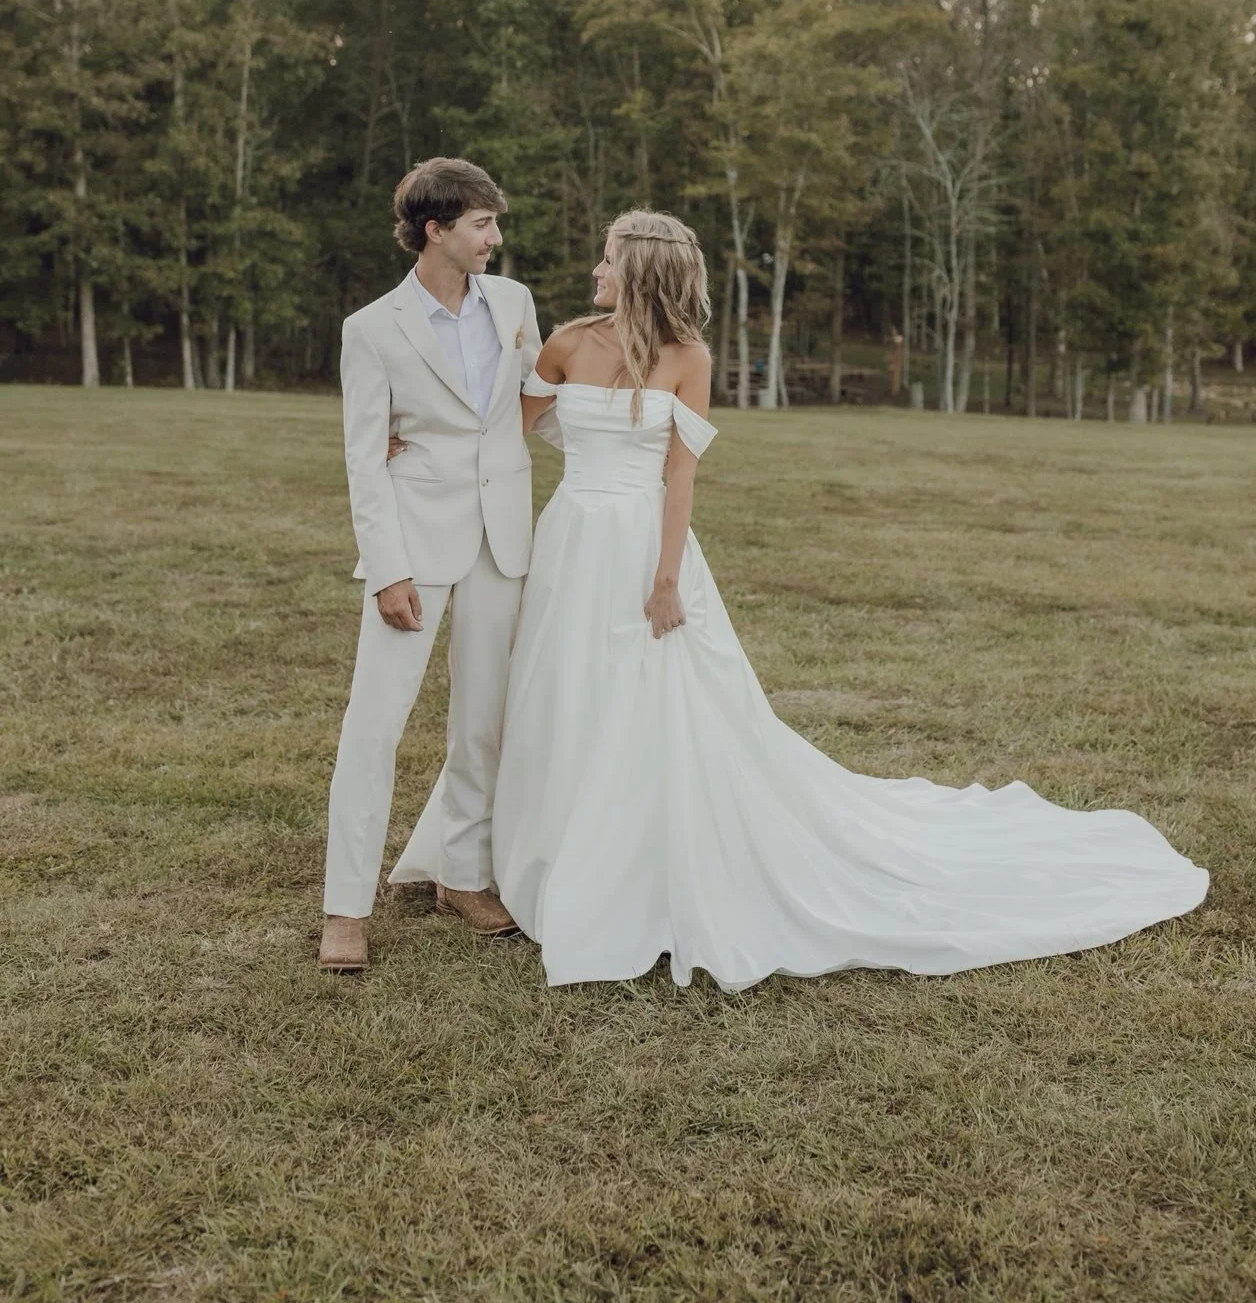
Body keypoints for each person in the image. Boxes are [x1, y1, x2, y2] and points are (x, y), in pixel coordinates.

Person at [401, 207, 1208, 992]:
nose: (595, 269)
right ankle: (526, 848)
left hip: (644, 541)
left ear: (641, 269)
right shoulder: (569, 341)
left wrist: (666, 578)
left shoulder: (689, 357)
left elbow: (680, 475)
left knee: (652, 698)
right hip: (571, 537)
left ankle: (635, 859)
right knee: (555, 687)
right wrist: (420, 432)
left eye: (609, 257)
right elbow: (508, 426)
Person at [318, 158, 555, 973]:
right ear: (437, 229)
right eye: (484, 224)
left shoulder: (514, 303)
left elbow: (531, 405)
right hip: (414, 546)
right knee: (374, 725)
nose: (497, 238)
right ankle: (345, 907)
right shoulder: (372, 328)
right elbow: (362, 458)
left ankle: (465, 874)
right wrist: (386, 569)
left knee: (482, 720)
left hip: (502, 539)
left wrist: (625, 428)